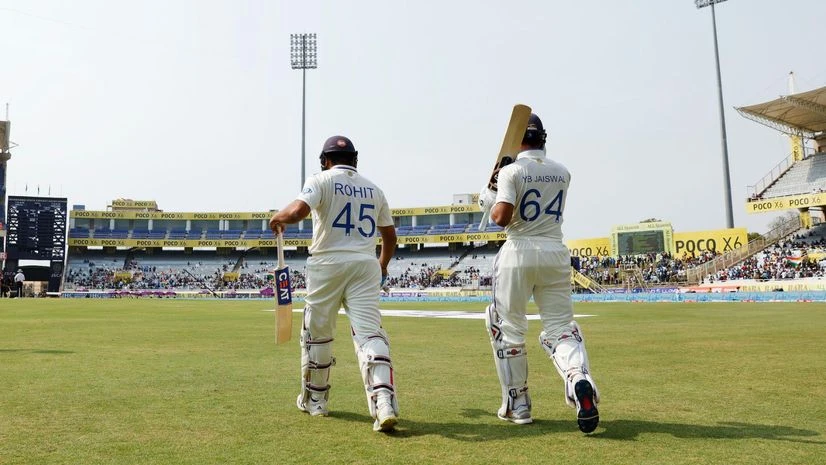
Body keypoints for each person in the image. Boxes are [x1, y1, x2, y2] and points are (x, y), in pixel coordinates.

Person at [478, 113, 600, 433]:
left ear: (519, 139)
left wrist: (488, 197)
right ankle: (578, 379)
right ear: (544, 138)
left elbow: (501, 218)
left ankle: (518, 404)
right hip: (555, 251)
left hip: (518, 250)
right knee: (561, 328)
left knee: (508, 329)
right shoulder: (563, 172)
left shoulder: (511, 171)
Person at [269, 135, 400, 432]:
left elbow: (299, 211)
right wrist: (381, 265)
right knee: (370, 334)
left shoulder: (321, 179)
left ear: (325, 161)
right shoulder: (374, 189)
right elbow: (390, 237)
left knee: (318, 334)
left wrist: (279, 217)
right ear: (355, 160)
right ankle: (383, 401)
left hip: (327, 263)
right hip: (365, 264)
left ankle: (316, 402)